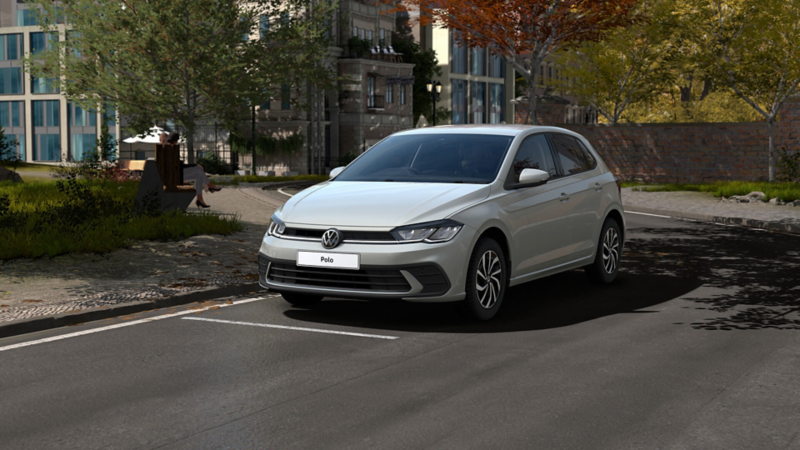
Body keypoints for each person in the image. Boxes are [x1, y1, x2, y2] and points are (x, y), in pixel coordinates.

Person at [165, 131, 221, 209]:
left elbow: (177, 165)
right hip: (175, 175)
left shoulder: (166, 149)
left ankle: (200, 199)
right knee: (198, 169)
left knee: (199, 176)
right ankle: (209, 185)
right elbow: (179, 166)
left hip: (173, 174)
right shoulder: (171, 149)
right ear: (175, 140)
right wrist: (195, 165)